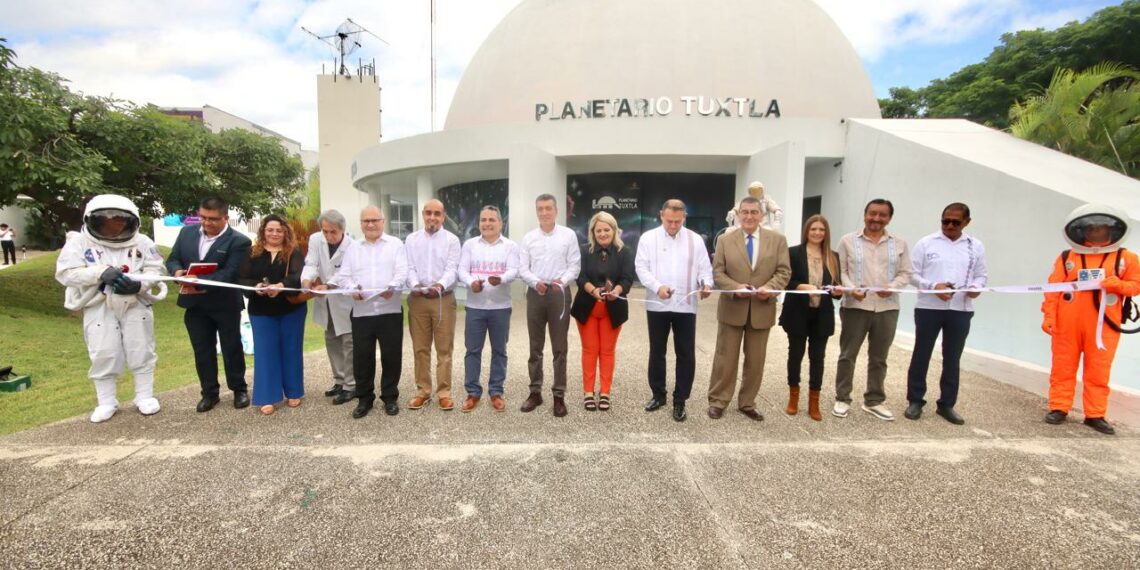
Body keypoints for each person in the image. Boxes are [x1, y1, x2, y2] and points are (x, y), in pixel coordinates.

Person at [55, 195, 168, 422]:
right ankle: (106, 401)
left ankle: (144, 396)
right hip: (99, 304)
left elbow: (156, 268)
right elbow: (66, 273)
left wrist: (140, 284)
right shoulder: (79, 242)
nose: (115, 224)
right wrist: (99, 273)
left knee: (141, 347)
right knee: (103, 350)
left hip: (135, 302)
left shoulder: (143, 242)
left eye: (119, 219)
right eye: (108, 219)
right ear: (94, 220)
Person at [1042, 203, 1140, 435]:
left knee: (1098, 369)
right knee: (1062, 367)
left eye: (1100, 229)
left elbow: (1136, 286)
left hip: (1105, 324)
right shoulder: (1068, 257)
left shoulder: (1126, 258)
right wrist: (1049, 316)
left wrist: (1118, 285)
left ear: (1111, 231)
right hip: (1067, 323)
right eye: (1091, 229)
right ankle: (1059, 407)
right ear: (1082, 232)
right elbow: (1053, 288)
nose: (1095, 233)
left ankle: (1095, 414)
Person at [707, 196, 791, 421]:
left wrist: (769, 288)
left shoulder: (777, 240)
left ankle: (747, 402)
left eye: (754, 212)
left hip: (762, 309)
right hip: (732, 307)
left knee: (756, 361)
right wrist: (735, 287)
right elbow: (718, 273)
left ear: (761, 215)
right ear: (738, 214)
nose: (749, 216)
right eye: (744, 212)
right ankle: (718, 400)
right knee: (725, 358)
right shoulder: (726, 240)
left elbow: (784, 272)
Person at [166, 197, 252, 412]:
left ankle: (239, 389)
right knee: (202, 349)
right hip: (194, 305)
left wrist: (202, 283)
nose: (207, 223)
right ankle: (209, 393)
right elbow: (173, 258)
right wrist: (177, 272)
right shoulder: (186, 233)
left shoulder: (239, 241)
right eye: (203, 217)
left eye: (213, 219)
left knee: (232, 347)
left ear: (225, 218)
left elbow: (231, 272)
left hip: (225, 303)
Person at [905, 203, 988, 425]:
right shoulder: (926, 243)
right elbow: (911, 274)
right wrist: (933, 286)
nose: (949, 225)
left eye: (955, 222)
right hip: (929, 308)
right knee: (921, 354)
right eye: (945, 221)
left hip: (960, 309)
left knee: (953, 358)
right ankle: (915, 400)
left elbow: (982, 275)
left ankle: (947, 404)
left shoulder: (975, 246)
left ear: (967, 222)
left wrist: (976, 288)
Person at [323, 205, 408, 419]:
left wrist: (393, 286)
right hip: (362, 313)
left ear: (382, 221)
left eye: (374, 220)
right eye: (365, 221)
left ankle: (390, 397)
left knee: (391, 357)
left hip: (389, 311)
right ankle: (364, 399)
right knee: (363, 358)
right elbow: (344, 275)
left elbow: (402, 271)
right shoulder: (353, 248)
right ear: (360, 224)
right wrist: (353, 289)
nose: (370, 224)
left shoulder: (396, 245)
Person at [634, 199, 713, 422]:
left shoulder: (695, 240)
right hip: (657, 304)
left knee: (686, 353)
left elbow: (704, 268)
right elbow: (641, 267)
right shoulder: (648, 238)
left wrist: (706, 284)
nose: (673, 225)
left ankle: (680, 400)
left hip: (686, 306)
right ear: (661, 215)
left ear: (684, 218)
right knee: (657, 351)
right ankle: (658, 394)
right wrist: (658, 287)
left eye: (677, 221)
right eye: (669, 221)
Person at [833, 198, 912, 421]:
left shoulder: (900, 244)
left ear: (889, 218)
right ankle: (842, 397)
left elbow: (906, 273)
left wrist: (893, 287)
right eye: (872, 213)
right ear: (865, 214)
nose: (876, 218)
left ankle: (874, 400)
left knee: (879, 357)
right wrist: (851, 289)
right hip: (856, 306)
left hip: (887, 308)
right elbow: (841, 271)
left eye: (882, 215)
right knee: (848, 355)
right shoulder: (848, 241)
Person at [519, 193, 581, 417]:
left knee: (559, 348)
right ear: (536, 211)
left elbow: (574, 265)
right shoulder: (528, 238)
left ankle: (559, 395)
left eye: (548, 208)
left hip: (559, 294)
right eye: (540, 208)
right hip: (536, 294)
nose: (544, 212)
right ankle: (535, 392)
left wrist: (561, 282)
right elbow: (522, 268)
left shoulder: (568, 235)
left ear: (556, 211)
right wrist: (535, 283)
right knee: (535, 347)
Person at [237, 214, 307, 415]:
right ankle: (267, 396)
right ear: (263, 231)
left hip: (290, 310)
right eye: (270, 230)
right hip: (261, 311)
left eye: (279, 230)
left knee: (292, 350)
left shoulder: (293, 252)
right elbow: (241, 278)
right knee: (266, 353)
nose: (274, 233)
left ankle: (294, 391)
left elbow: (298, 276)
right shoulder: (251, 252)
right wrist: (257, 286)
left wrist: (281, 286)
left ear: (285, 231)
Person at [779, 214, 843, 422]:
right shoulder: (794, 253)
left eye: (821, 230)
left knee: (818, 358)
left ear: (826, 233)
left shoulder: (833, 257)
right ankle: (793, 397)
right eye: (813, 229)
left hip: (821, 315)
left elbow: (837, 290)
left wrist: (837, 290)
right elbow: (786, 281)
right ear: (807, 231)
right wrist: (803, 286)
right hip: (797, 313)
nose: (817, 233)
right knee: (795, 355)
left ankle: (814, 401)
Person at [457, 206, 520, 412]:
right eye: (483, 219)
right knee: (473, 350)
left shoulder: (510, 246)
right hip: (475, 307)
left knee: (499, 351)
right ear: (479, 223)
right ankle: (473, 392)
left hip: (501, 307)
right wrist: (471, 283)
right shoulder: (470, 245)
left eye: (492, 219)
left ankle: (496, 391)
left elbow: (513, 270)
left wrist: (499, 279)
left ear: (501, 223)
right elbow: (462, 271)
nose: (487, 223)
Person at [570, 212, 635, 412]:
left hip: (613, 309)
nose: (603, 233)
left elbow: (627, 278)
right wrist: (593, 290)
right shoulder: (584, 251)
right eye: (598, 230)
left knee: (607, 351)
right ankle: (588, 392)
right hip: (587, 308)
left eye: (607, 229)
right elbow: (579, 277)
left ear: (614, 230)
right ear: (593, 232)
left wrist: (617, 290)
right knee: (589, 351)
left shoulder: (625, 252)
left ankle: (605, 392)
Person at [404, 198, 461, 411]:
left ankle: (444, 392)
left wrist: (439, 284)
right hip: (418, 300)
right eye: (428, 213)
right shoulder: (411, 239)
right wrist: (415, 284)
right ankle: (423, 391)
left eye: (437, 213)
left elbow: (452, 268)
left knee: (444, 349)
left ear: (443, 216)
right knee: (420, 348)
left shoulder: (452, 240)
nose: (432, 217)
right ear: (423, 215)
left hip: (442, 300)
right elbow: (409, 267)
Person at [301, 210, 358, 405]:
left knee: (349, 342)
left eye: (333, 232)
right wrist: (306, 279)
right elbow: (311, 262)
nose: (328, 236)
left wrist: (329, 285)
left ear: (342, 229)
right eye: (325, 231)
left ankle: (351, 385)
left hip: (344, 300)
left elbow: (346, 273)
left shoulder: (352, 246)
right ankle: (339, 380)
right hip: (325, 300)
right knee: (331, 339)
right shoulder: (316, 240)